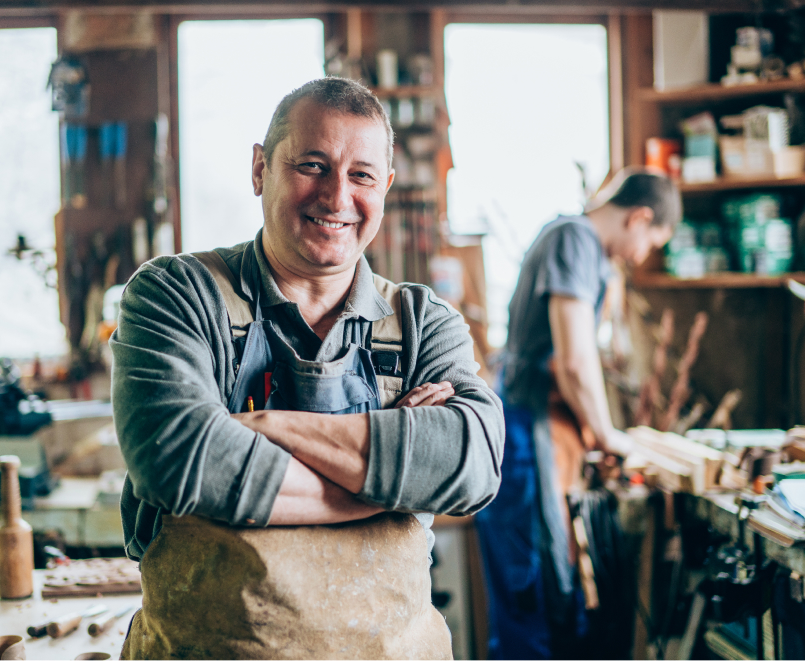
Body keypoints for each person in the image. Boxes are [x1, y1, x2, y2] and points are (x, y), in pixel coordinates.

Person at [109, 77, 504, 660]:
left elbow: (474, 465)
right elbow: (181, 459)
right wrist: (391, 481)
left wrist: (265, 427)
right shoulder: (176, 294)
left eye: (362, 175)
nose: (337, 196)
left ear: (386, 187)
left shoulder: (424, 321)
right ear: (260, 170)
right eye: (313, 165)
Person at [475, 169, 680, 659]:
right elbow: (573, 359)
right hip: (527, 433)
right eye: (651, 242)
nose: (642, 255)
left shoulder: (578, 244)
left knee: (548, 593)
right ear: (640, 217)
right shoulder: (575, 239)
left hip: (539, 428)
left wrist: (592, 431)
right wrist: (608, 434)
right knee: (537, 594)